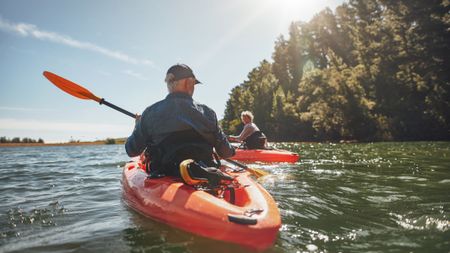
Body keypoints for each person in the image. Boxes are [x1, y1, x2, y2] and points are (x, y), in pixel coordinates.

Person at [125, 64, 235, 185]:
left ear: (169, 82)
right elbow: (226, 152)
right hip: (206, 174)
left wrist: (138, 125)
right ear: (189, 83)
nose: (193, 88)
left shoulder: (150, 113)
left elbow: (131, 150)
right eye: (193, 84)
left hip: (166, 176)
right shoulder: (208, 113)